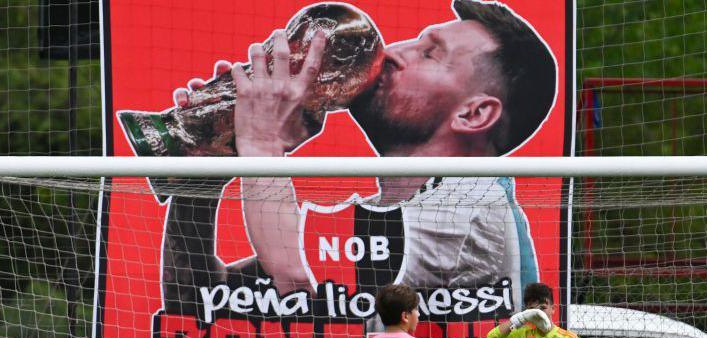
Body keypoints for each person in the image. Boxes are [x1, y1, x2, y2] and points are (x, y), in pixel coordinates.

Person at [162, 0, 556, 312]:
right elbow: (196, 303)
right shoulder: (387, 218)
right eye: (416, 41)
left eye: (429, 54)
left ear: (473, 114)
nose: (393, 52)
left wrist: (263, 141)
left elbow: (293, 279)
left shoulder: (472, 205)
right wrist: (209, 164)